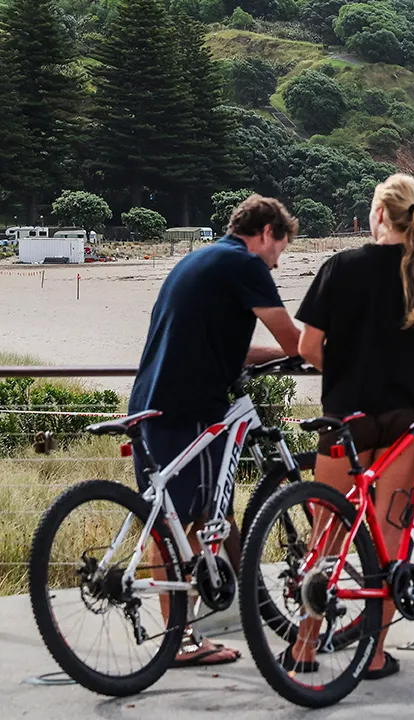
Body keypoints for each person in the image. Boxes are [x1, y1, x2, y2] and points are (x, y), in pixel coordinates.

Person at [289, 173, 414, 679]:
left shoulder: (340, 266)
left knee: (326, 537)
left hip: (344, 419)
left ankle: (304, 650)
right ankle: (373, 657)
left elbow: (309, 348)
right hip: (407, 422)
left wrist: (348, 369)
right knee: (388, 538)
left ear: (378, 214)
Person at [128, 195, 301, 667]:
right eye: (280, 251)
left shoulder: (202, 259)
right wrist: (323, 352)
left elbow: (231, 347)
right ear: (266, 233)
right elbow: (294, 340)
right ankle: (181, 641)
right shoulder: (246, 264)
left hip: (151, 400)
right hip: (191, 410)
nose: (277, 263)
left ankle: (189, 630)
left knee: (186, 520)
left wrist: (273, 356)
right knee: (180, 523)